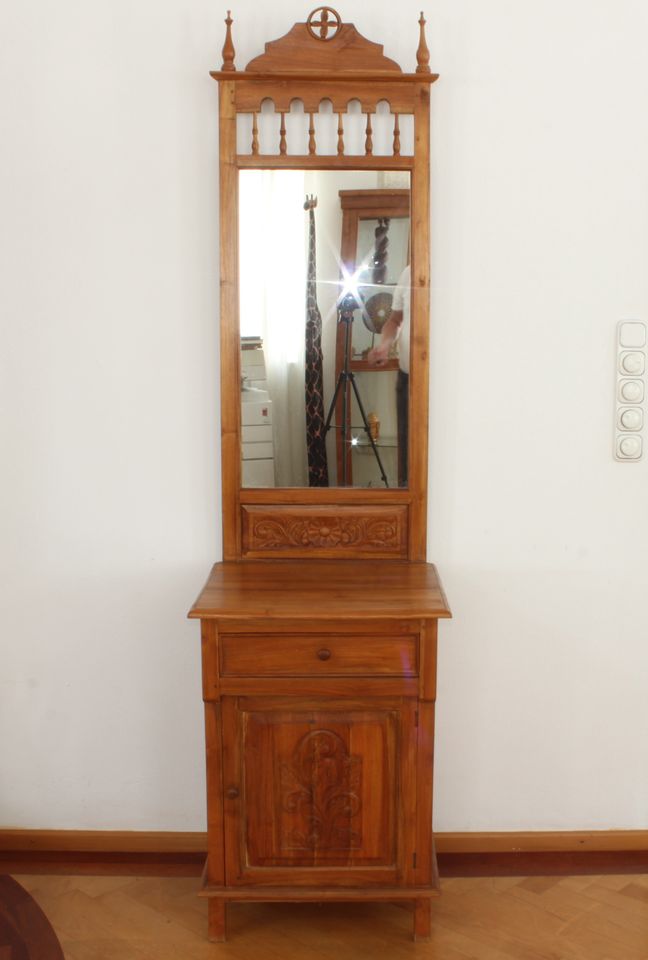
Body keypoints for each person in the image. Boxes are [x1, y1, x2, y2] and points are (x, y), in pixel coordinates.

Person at [367, 264, 409, 486]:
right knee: (407, 457)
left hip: (441, 380)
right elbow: (394, 321)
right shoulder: (408, 273)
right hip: (407, 378)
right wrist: (385, 345)